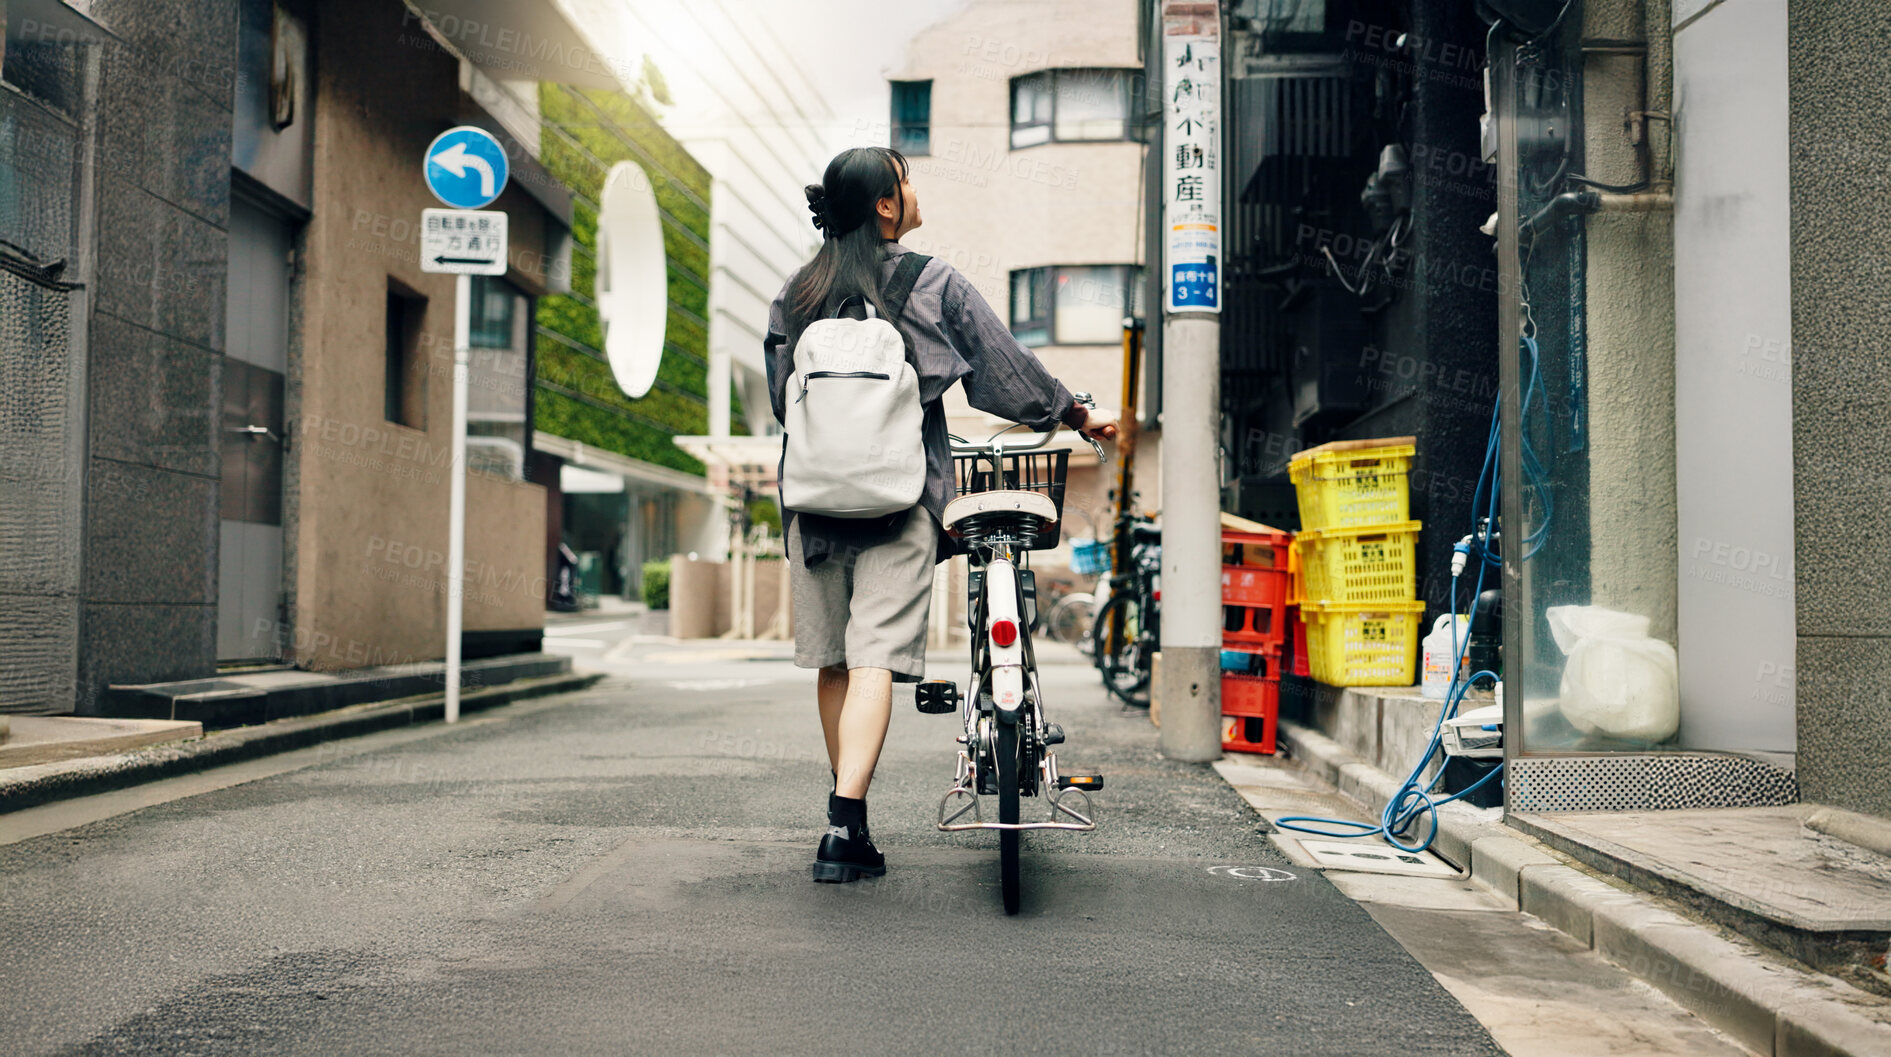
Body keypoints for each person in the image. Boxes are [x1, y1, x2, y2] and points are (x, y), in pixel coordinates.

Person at [763, 146, 1120, 883]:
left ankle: (845, 824)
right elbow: (1005, 373)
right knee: (873, 662)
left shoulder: (795, 294)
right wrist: (1076, 414)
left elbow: (781, 399)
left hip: (813, 507)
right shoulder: (931, 283)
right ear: (887, 206)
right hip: (901, 500)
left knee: (834, 660)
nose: (914, 190)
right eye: (906, 180)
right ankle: (844, 816)